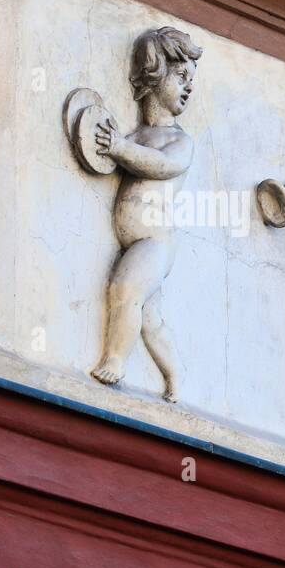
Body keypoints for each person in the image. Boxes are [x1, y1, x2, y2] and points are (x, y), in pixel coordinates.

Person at [91, 26, 202, 401]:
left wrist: (120, 150)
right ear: (154, 75)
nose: (189, 87)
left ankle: (114, 360)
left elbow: (161, 165)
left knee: (123, 289)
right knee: (149, 320)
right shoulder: (136, 135)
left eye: (192, 79)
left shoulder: (178, 141)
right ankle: (175, 374)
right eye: (181, 76)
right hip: (136, 241)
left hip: (155, 243)